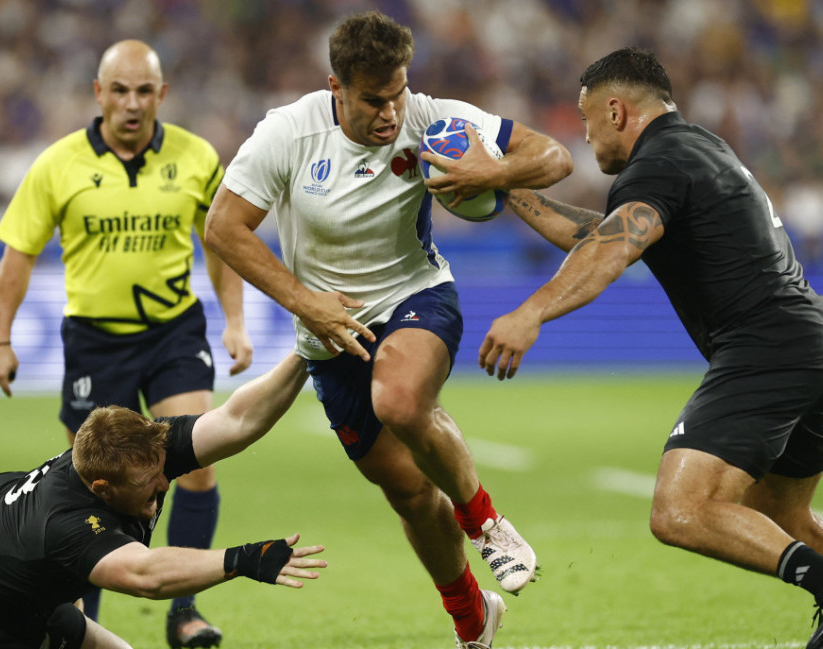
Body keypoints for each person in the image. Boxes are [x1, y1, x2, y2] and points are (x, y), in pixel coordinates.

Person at [479, 47, 823, 649]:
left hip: (765, 348)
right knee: (784, 518)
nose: (585, 138)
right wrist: (506, 187)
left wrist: (530, 313)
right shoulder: (697, 148)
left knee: (680, 511)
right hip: (812, 344)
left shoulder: (658, 164)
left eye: (586, 122)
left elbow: (608, 252)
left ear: (616, 110)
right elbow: (594, 235)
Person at [203, 11, 572, 648]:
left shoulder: (431, 116)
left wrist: (495, 173)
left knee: (399, 399)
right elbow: (223, 228)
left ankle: (487, 523)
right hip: (331, 332)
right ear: (336, 87)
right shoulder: (287, 134)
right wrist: (306, 303)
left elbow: (555, 156)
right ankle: (471, 619)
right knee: (408, 494)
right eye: (374, 99)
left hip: (416, 293)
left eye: (398, 92)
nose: (390, 113)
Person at [0, 39, 253, 648]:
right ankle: (86, 625)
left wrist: (234, 320)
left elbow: (222, 242)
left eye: (144, 91)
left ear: (163, 94)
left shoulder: (196, 157)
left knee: (197, 462)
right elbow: (17, 255)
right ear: (99, 93)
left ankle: (184, 611)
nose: (132, 103)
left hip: (172, 331)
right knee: (90, 481)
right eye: (120, 90)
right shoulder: (58, 164)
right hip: (95, 341)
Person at [0, 353, 325, 649]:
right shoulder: (70, 524)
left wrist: (306, 351)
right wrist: (244, 558)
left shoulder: (146, 449)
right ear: (102, 489)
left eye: (164, 470)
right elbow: (145, 576)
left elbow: (238, 420)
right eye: (150, 483)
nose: (166, 485)